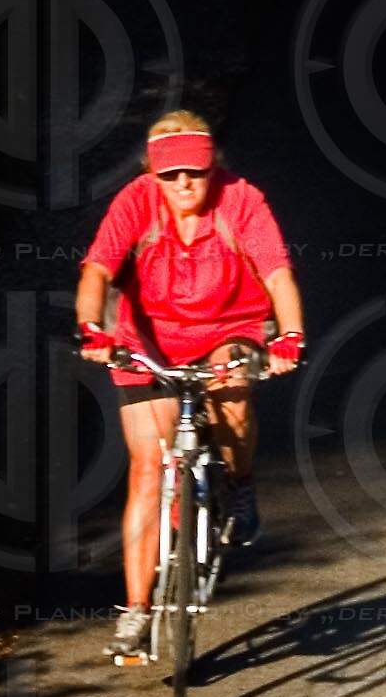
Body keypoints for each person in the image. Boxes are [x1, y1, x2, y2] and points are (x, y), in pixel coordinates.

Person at [75, 106, 305, 665]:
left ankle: (241, 482)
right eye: (169, 175)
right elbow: (98, 270)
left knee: (232, 405)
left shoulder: (242, 201)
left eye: (194, 173)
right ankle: (136, 610)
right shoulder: (135, 201)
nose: (183, 185)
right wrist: (91, 327)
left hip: (230, 329)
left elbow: (277, 272)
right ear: (153, 174)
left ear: (211, 167)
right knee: (148, 471)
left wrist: (290, 336)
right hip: (144, 340)